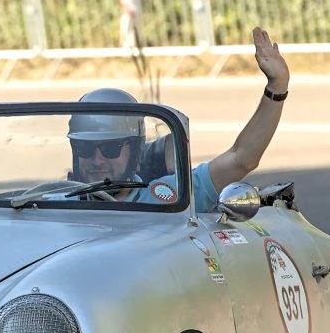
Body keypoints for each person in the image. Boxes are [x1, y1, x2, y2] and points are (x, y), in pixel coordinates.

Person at [68, 26, 290, 212]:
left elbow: (241, 158)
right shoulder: (55, 204)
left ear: (135, 149)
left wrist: (277, 86)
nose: (97, 160)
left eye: (110, 149)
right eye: (84, 148)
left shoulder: (170, 196)